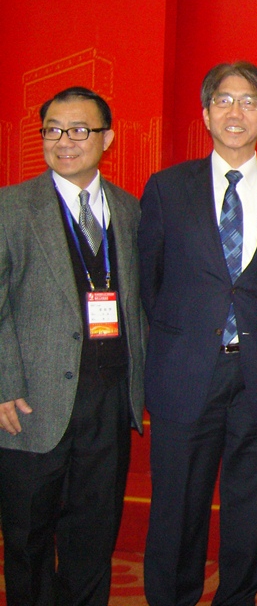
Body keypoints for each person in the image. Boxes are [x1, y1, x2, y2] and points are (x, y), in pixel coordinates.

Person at [139, 61, 257, 606]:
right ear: (206, 113)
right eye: (223, 100)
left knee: (250, 503)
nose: (235, 112)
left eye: (249, 102)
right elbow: (150, 281)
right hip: (185, 371)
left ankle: (237, 597)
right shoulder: (168, 188)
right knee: (177, 507)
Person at [0, 87, 146, 606]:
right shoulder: (12, 207)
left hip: (108, 402)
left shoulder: (130, 212)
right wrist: (4, 386)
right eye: (53, 130)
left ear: (107, 138)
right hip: (31, 403)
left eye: (80, 130)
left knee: (93, 536)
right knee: (27, 539)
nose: (65, 141)